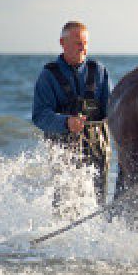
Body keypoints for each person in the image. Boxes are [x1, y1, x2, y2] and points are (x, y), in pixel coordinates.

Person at [32, 21, 112, 213]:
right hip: (63, 149)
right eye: (77, 42)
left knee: (100, 206)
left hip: (98, 146)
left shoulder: (99, 71)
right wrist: (66, 122)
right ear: (62, 43)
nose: (82, 47)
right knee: (65, 206)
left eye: (85, 42)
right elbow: (39, 115)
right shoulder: (48, 75)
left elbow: (112, 109)